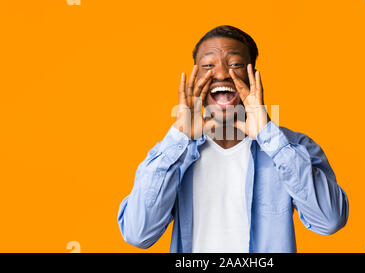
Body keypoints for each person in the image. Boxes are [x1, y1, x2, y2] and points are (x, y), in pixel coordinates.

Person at [117, 25, 349, 253]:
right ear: (196, 75)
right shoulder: (174, 154)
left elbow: (329, 221)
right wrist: (178, 137)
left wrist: (270, 137)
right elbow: (138, 233)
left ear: (253, 75)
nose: (221, 73)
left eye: (235, 64)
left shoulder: (294, 147)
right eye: (208, 65)